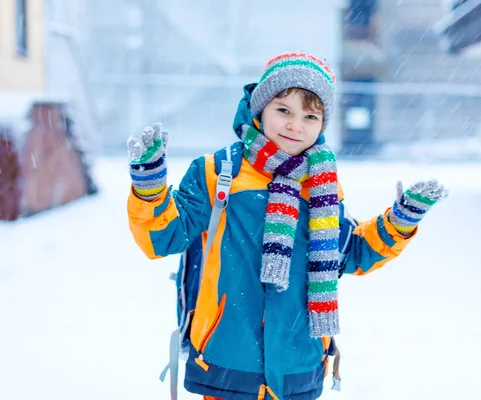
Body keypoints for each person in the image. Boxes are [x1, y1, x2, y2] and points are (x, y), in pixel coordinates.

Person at [127, 52, 448, 400]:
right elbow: (164, 236)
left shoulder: (322, 187)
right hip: (228, 358)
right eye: (284, 110)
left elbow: (350, 253)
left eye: (311, 115)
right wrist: (150, 186)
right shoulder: (218, 172)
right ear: (260, 109)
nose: (296, 125)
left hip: (300, 363)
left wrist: (400, 221)